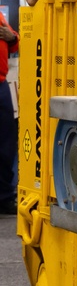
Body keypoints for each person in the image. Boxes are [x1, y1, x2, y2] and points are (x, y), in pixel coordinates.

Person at [0, 11, 18, 215]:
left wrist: (11, 37)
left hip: (1, 84)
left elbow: (14, 43)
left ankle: (4, 197)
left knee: (6, 144)